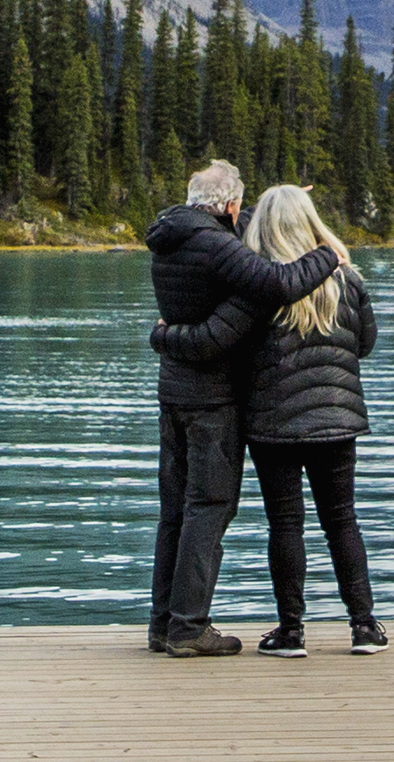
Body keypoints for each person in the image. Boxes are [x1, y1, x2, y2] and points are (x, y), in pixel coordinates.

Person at [137, 158, 337, 655]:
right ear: (229, 205)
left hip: (174, 395)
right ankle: (188, 627)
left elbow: (236, 235)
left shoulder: (175, 234)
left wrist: (273, 199)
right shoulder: (214, 245)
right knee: (209, 508)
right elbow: (281, 284)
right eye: (239, 206)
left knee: (174, 514)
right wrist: (327, 254)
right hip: (212, 400)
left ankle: (163, 624)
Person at [216, 181, 380, 656]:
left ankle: (291, 631)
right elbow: (364, 345)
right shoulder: (347, 279)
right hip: (336, 418)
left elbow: (238, 350)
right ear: (312, 222)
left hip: (274, 422)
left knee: (285, 525)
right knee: (342, 521)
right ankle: (364, 626)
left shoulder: (257, 284)